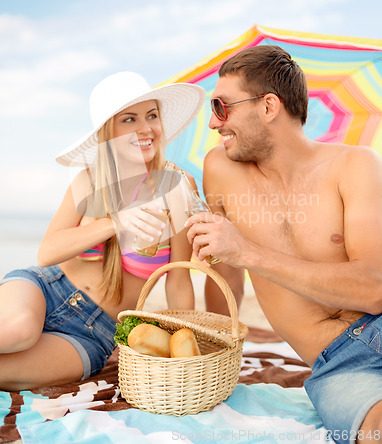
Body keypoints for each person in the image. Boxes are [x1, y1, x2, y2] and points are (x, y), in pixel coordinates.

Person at [185, 45, 382, 443]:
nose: (212, 123)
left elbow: (375, 289)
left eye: (222, 108)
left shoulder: (356, 165)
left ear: (269, 106)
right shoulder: (220, 170)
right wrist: (215, 352)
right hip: (339, 366)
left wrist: (248, 252)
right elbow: (226, 276)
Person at [0, 71, 205, 390]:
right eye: (129, 119)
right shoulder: (88, 180)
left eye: (152, 115)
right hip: (45, 289)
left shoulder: (177, 189)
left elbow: (179, 280)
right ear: (108, 132)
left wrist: (186, 348)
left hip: (94, 332)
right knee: (19, 330)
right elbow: (47, 253)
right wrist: (117, 222)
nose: (145, 128)